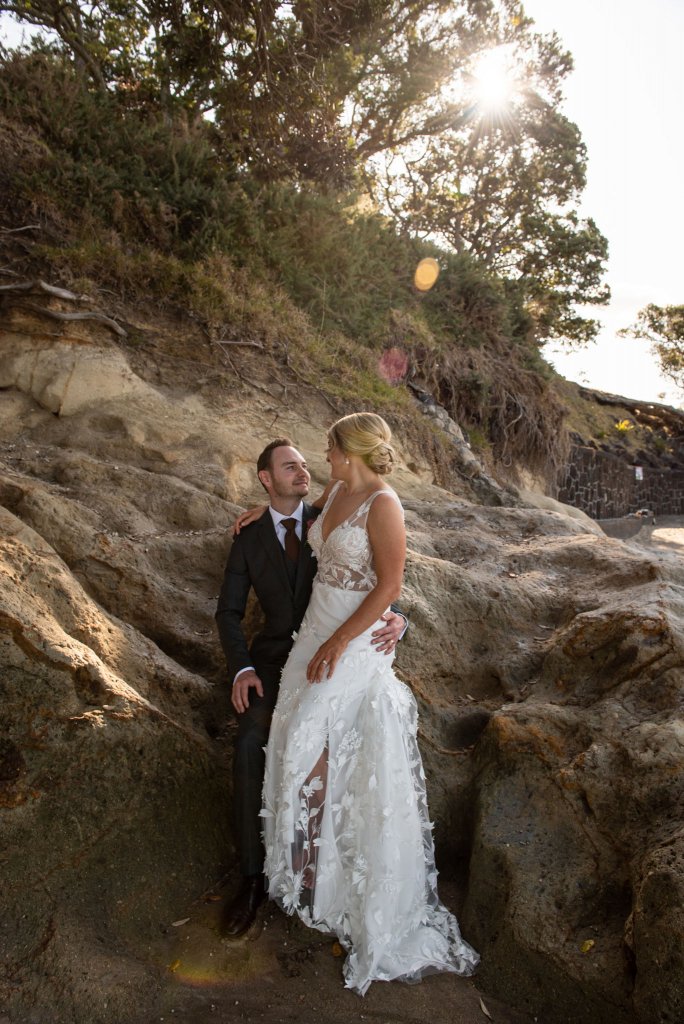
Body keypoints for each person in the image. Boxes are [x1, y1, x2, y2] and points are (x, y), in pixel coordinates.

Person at [260, 413, 479, 995]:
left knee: (321, 745)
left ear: (347, 450)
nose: (321, 455)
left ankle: (344, 886)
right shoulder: (335, 491)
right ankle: (307, 879)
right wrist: (263, 516)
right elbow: (310, 527)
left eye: (328, 447)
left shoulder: (384, 504)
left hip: (352, 641)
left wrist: (346, 639)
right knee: (296, 740)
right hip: (313, 630)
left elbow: (389, 585)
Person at [215, 438, 406, 938]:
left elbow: (383, 574)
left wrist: (397, 618)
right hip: (275, 659)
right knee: (250, 740)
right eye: (289, 467)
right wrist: (241, 669)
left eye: (305, 463)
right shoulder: (250, 536)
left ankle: (321, 875)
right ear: (266, 479)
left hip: (337, 652)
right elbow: (228, 612)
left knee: (327, 750)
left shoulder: (330, 509)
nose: (303, 471)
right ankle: (254, 881)